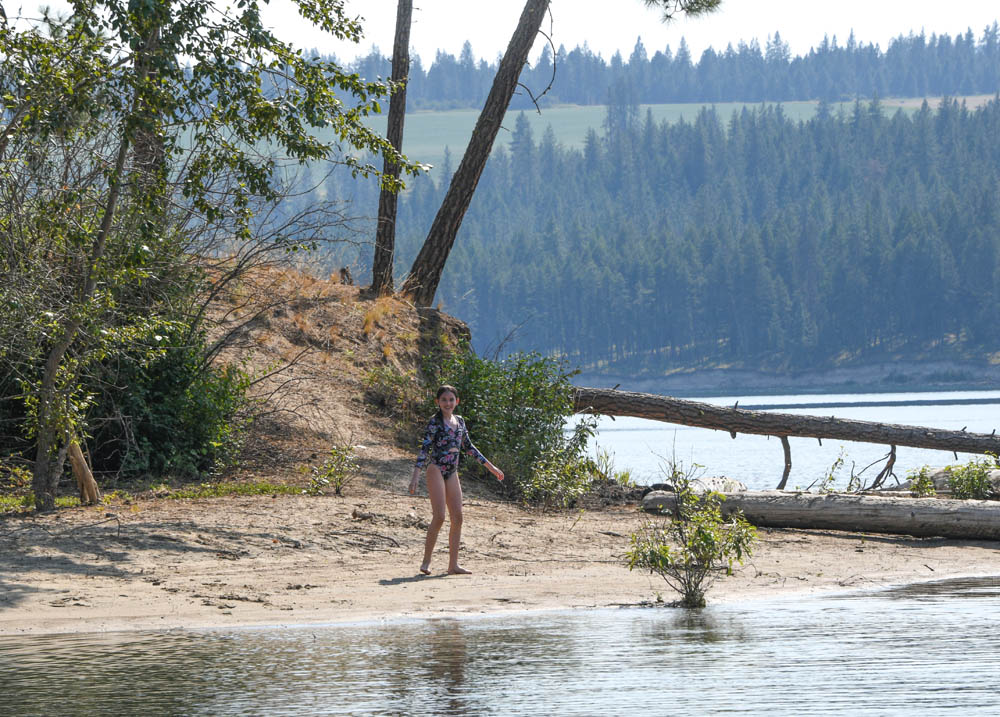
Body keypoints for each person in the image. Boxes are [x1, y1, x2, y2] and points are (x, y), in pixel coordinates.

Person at [409, 385, 504, 575]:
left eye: (451, 399)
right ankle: (426, 561)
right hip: (436, 468)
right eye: (444, 400)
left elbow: (469, 447)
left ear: (457, 401)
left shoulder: (460, 421)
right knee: (440, 516)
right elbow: (425, 449)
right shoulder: (434, 422)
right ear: (437, 402)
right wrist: (415, 476)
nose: (447, 403)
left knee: (458, 518)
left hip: (452, 471)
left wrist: (492, 468)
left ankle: (453, 565)